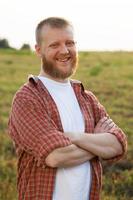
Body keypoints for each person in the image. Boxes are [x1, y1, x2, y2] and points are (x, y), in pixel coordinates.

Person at [8, 17, 127, 200]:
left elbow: (118, 145)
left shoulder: (86, 98)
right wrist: (97, 143)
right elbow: (56, 156)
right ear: (38, 50)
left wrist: (74, 137)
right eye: (54, 45)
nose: (64, 51)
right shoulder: (28, 98)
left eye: (69, 43)